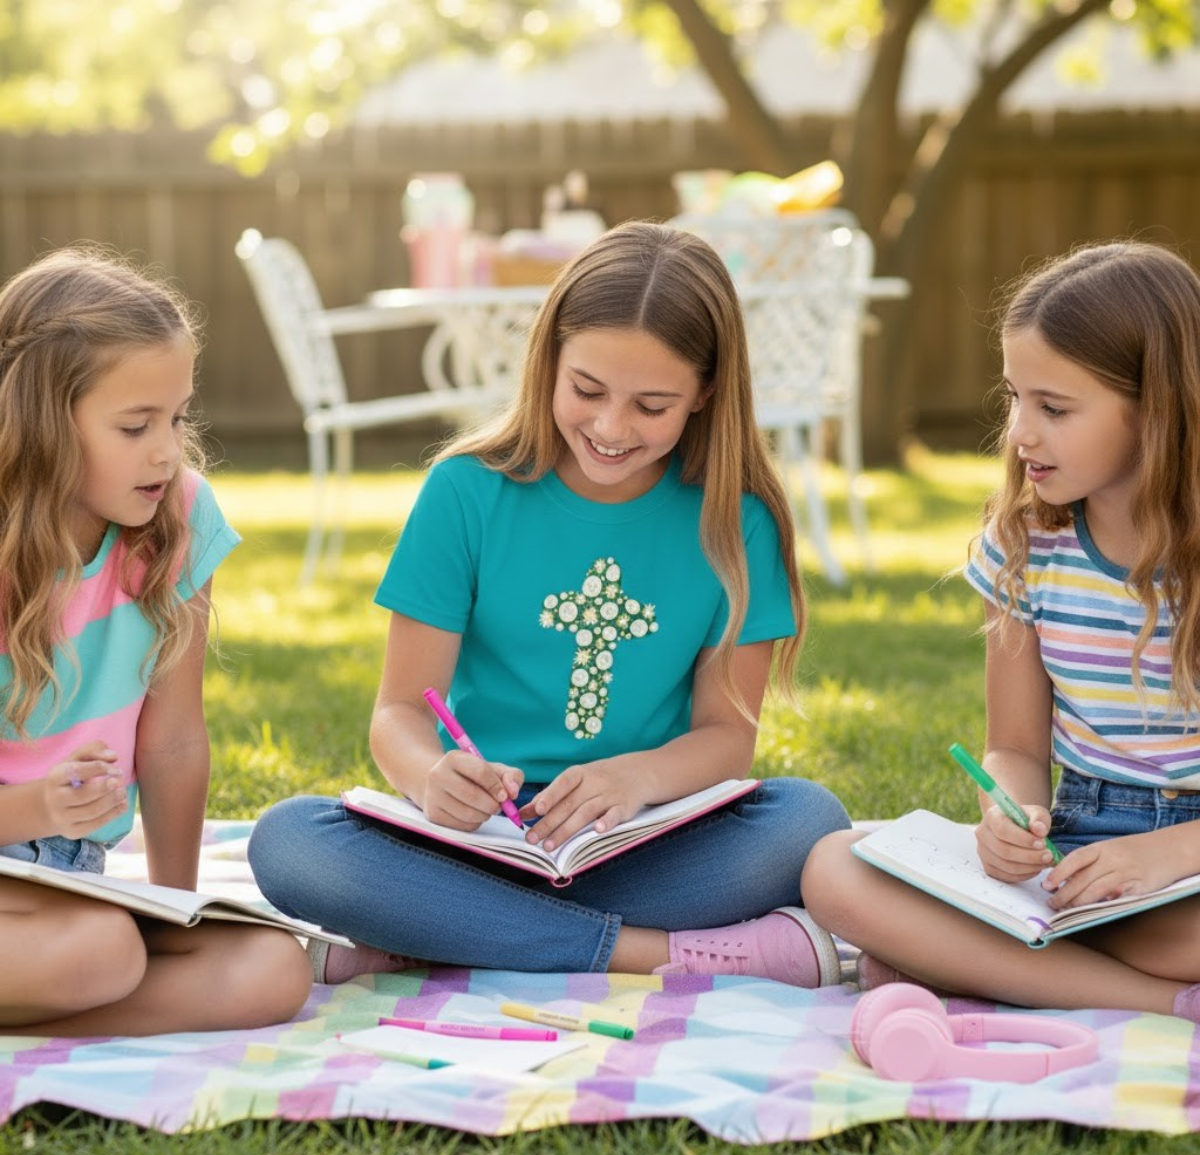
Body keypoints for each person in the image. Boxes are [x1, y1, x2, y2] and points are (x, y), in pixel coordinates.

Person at [249, 220, 850, 986]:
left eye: (651, 405)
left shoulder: (737, 525)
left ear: (704, 392)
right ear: (549, 361)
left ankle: (433, 934)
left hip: (635, 838)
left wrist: (633, 781)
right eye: (588, 390)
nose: (609, 427)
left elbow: (727, 740)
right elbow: (398, 712)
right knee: (289, 840)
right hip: (475, 838)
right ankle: (643, 952)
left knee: (808, 821)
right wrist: (433, 776)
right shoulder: (466, 492)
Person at [802, 240, 1200, 1018]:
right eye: (1015, 396)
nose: (1020, 432)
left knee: (1170, 932)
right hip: (1071, 858)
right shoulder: (1024, 548)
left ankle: (979, 963)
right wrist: (1005, 819)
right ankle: (1161, 1004)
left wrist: (1168, 853)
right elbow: (1014, 749)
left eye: (1054, 408)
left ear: (1157, 409)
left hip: (1187, 871)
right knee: (834, 870)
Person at [0, 245, 312, 1035]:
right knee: (101, 952)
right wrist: (38, 806)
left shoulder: (178, 518)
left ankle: (38, 1005)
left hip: (73, 882)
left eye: (177, 417)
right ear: (40, 422)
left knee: (273, 968)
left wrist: (178, 906)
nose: (168, 449)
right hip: (23, 859)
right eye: (136, 425)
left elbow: (173, 742)